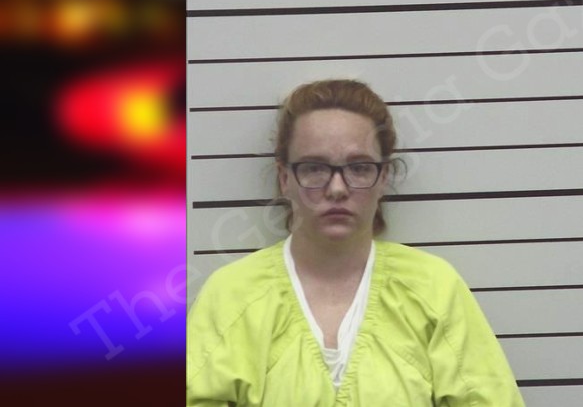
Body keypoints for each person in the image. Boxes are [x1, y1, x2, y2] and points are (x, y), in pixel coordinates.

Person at [187, 79, 526, 406]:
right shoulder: (231, 295)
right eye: (315, 168)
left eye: (359, 168)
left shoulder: (433, 289)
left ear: (384, 177)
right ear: (285, 177)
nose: (337, 188)